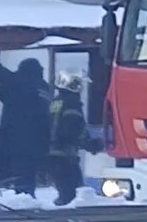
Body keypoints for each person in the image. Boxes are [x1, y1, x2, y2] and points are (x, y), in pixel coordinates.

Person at [0, 34, 51, 197]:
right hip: (38, 143)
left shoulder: (17, 82)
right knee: (26, 177)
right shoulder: (45, 89)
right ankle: (26, 201)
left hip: (13, 139)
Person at [47, 73, 88, 206]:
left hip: (53, 152)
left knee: (65, 192)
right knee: (74, 194)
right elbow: (71, 129)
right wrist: (89, 143)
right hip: (66, 153)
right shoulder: (72, 103)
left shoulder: (57, 101)